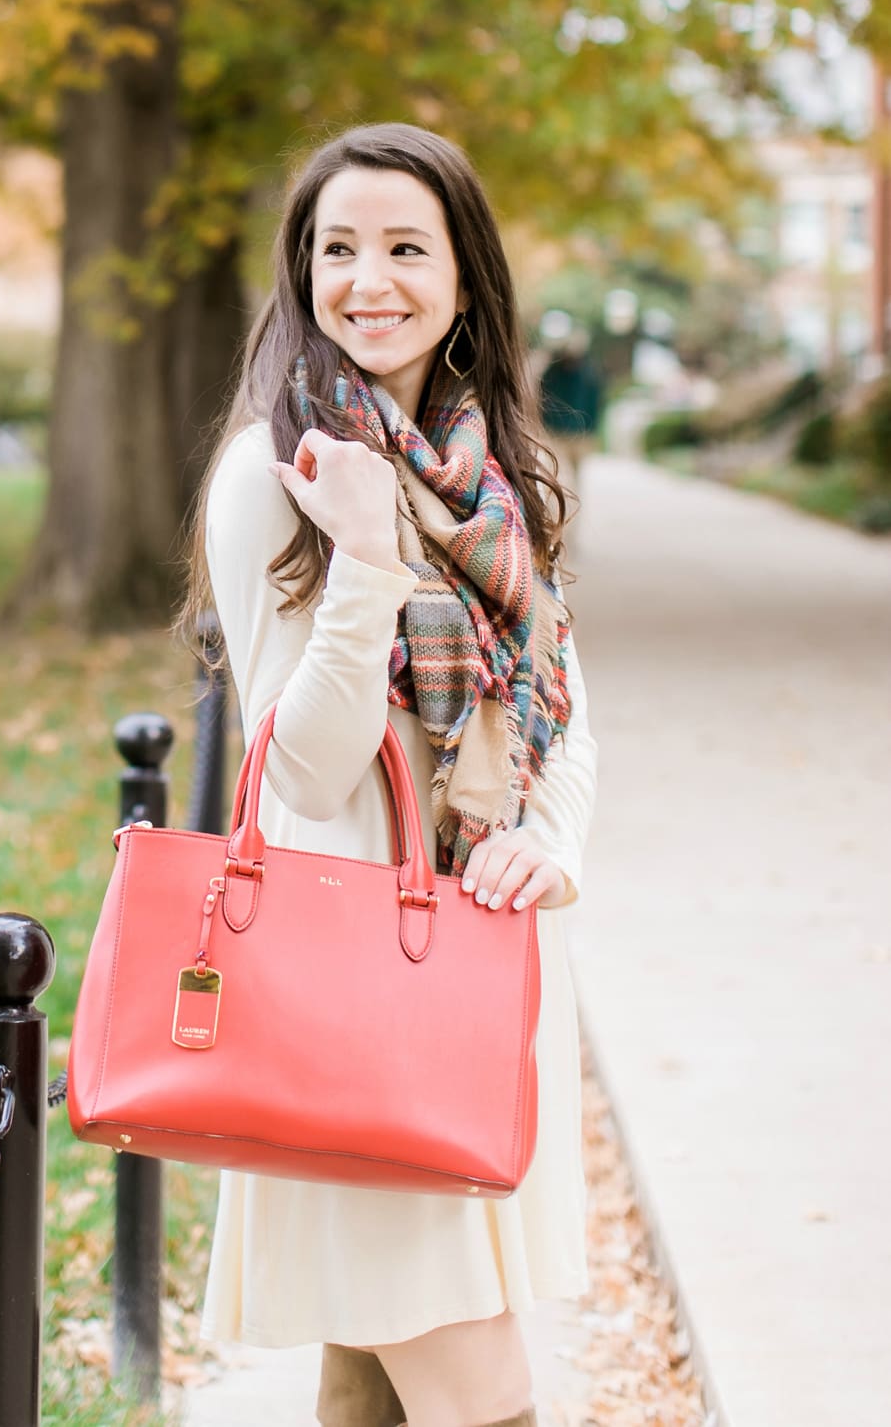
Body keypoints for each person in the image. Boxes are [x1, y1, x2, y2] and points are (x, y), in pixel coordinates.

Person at [181, 123, 596, 1427]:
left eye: (405, 248)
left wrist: (549, 838)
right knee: (480, 1394)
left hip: (469, 973)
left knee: (373, 1379)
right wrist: (361, 561)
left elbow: (565, 707)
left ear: (463, 280)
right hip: (351, 998)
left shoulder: (491, 482)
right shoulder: (271, 477)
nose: (367, 280)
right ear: (299, 271)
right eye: (336, 249)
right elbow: (302, 773)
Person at [537, 328, 603, 503]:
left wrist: (592, 431)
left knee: (575, 474)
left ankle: (573, 505)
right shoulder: (554, 372)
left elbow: (595, 403)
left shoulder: (589, 374)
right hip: (556, 432)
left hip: (580, 434)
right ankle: (561, 506)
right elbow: (543, 398)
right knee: (559, 474)